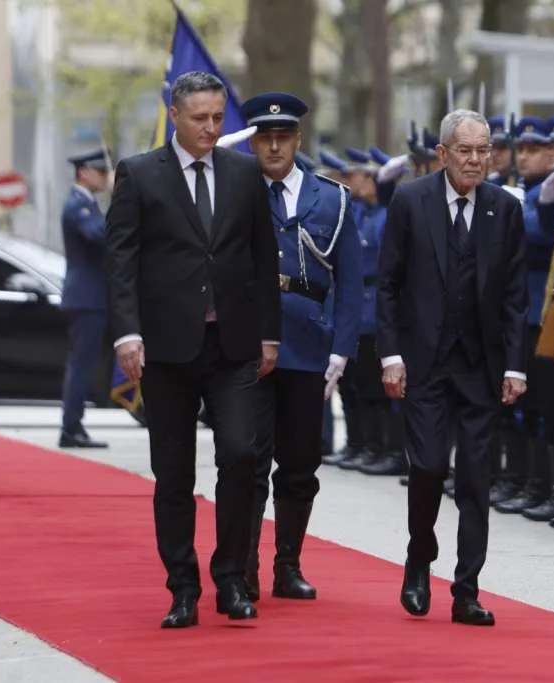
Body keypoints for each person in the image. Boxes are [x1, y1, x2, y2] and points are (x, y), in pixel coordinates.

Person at [104, 71, 281, 628]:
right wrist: (127, 333)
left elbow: (263, 257)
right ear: (174, 115)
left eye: (218, 117)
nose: (211, 127)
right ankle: (182, 586)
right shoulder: (139, 174)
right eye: (200, 117)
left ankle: (230, 577)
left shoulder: (244, 172)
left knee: (241, 455)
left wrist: (269, 334)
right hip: (166, 349)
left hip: (232, 346)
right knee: (174, 473)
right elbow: (121, 259)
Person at [376, 109, 528, 626]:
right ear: (442, 154)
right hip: (425, 363)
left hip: (480, 366)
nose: (475, 160)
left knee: (476, 480)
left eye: (484, 150)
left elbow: (514, 297)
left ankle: (467, 590)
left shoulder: (504, 209)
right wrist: (391, 356)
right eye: (465, 150)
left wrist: (515, 366)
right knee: (428, 466)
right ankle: (419, 557)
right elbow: (389, 284)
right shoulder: (410, 201)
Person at [239, 92, 362, 603]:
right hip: (247, 339)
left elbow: (351, 280)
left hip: (309, 342)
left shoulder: (331, 198)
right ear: (253, 142)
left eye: (283, 136)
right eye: (265, 137)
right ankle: (243, 566)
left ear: (297, 139)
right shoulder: (235, 189)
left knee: (300, 462)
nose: (274, 146)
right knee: (246, 458)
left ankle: (287, 564)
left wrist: (342, 347)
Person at [59, 148, 112, 449]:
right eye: (101, 172)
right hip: (86, 297)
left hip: (92, 296)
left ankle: (73, 425)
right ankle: (71, 428)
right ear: (83, 172)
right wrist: (120, 201)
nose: (105, 178)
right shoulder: (77, 204)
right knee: (81, 365)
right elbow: (99, 236)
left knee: (84, 364)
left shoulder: (88, 203)